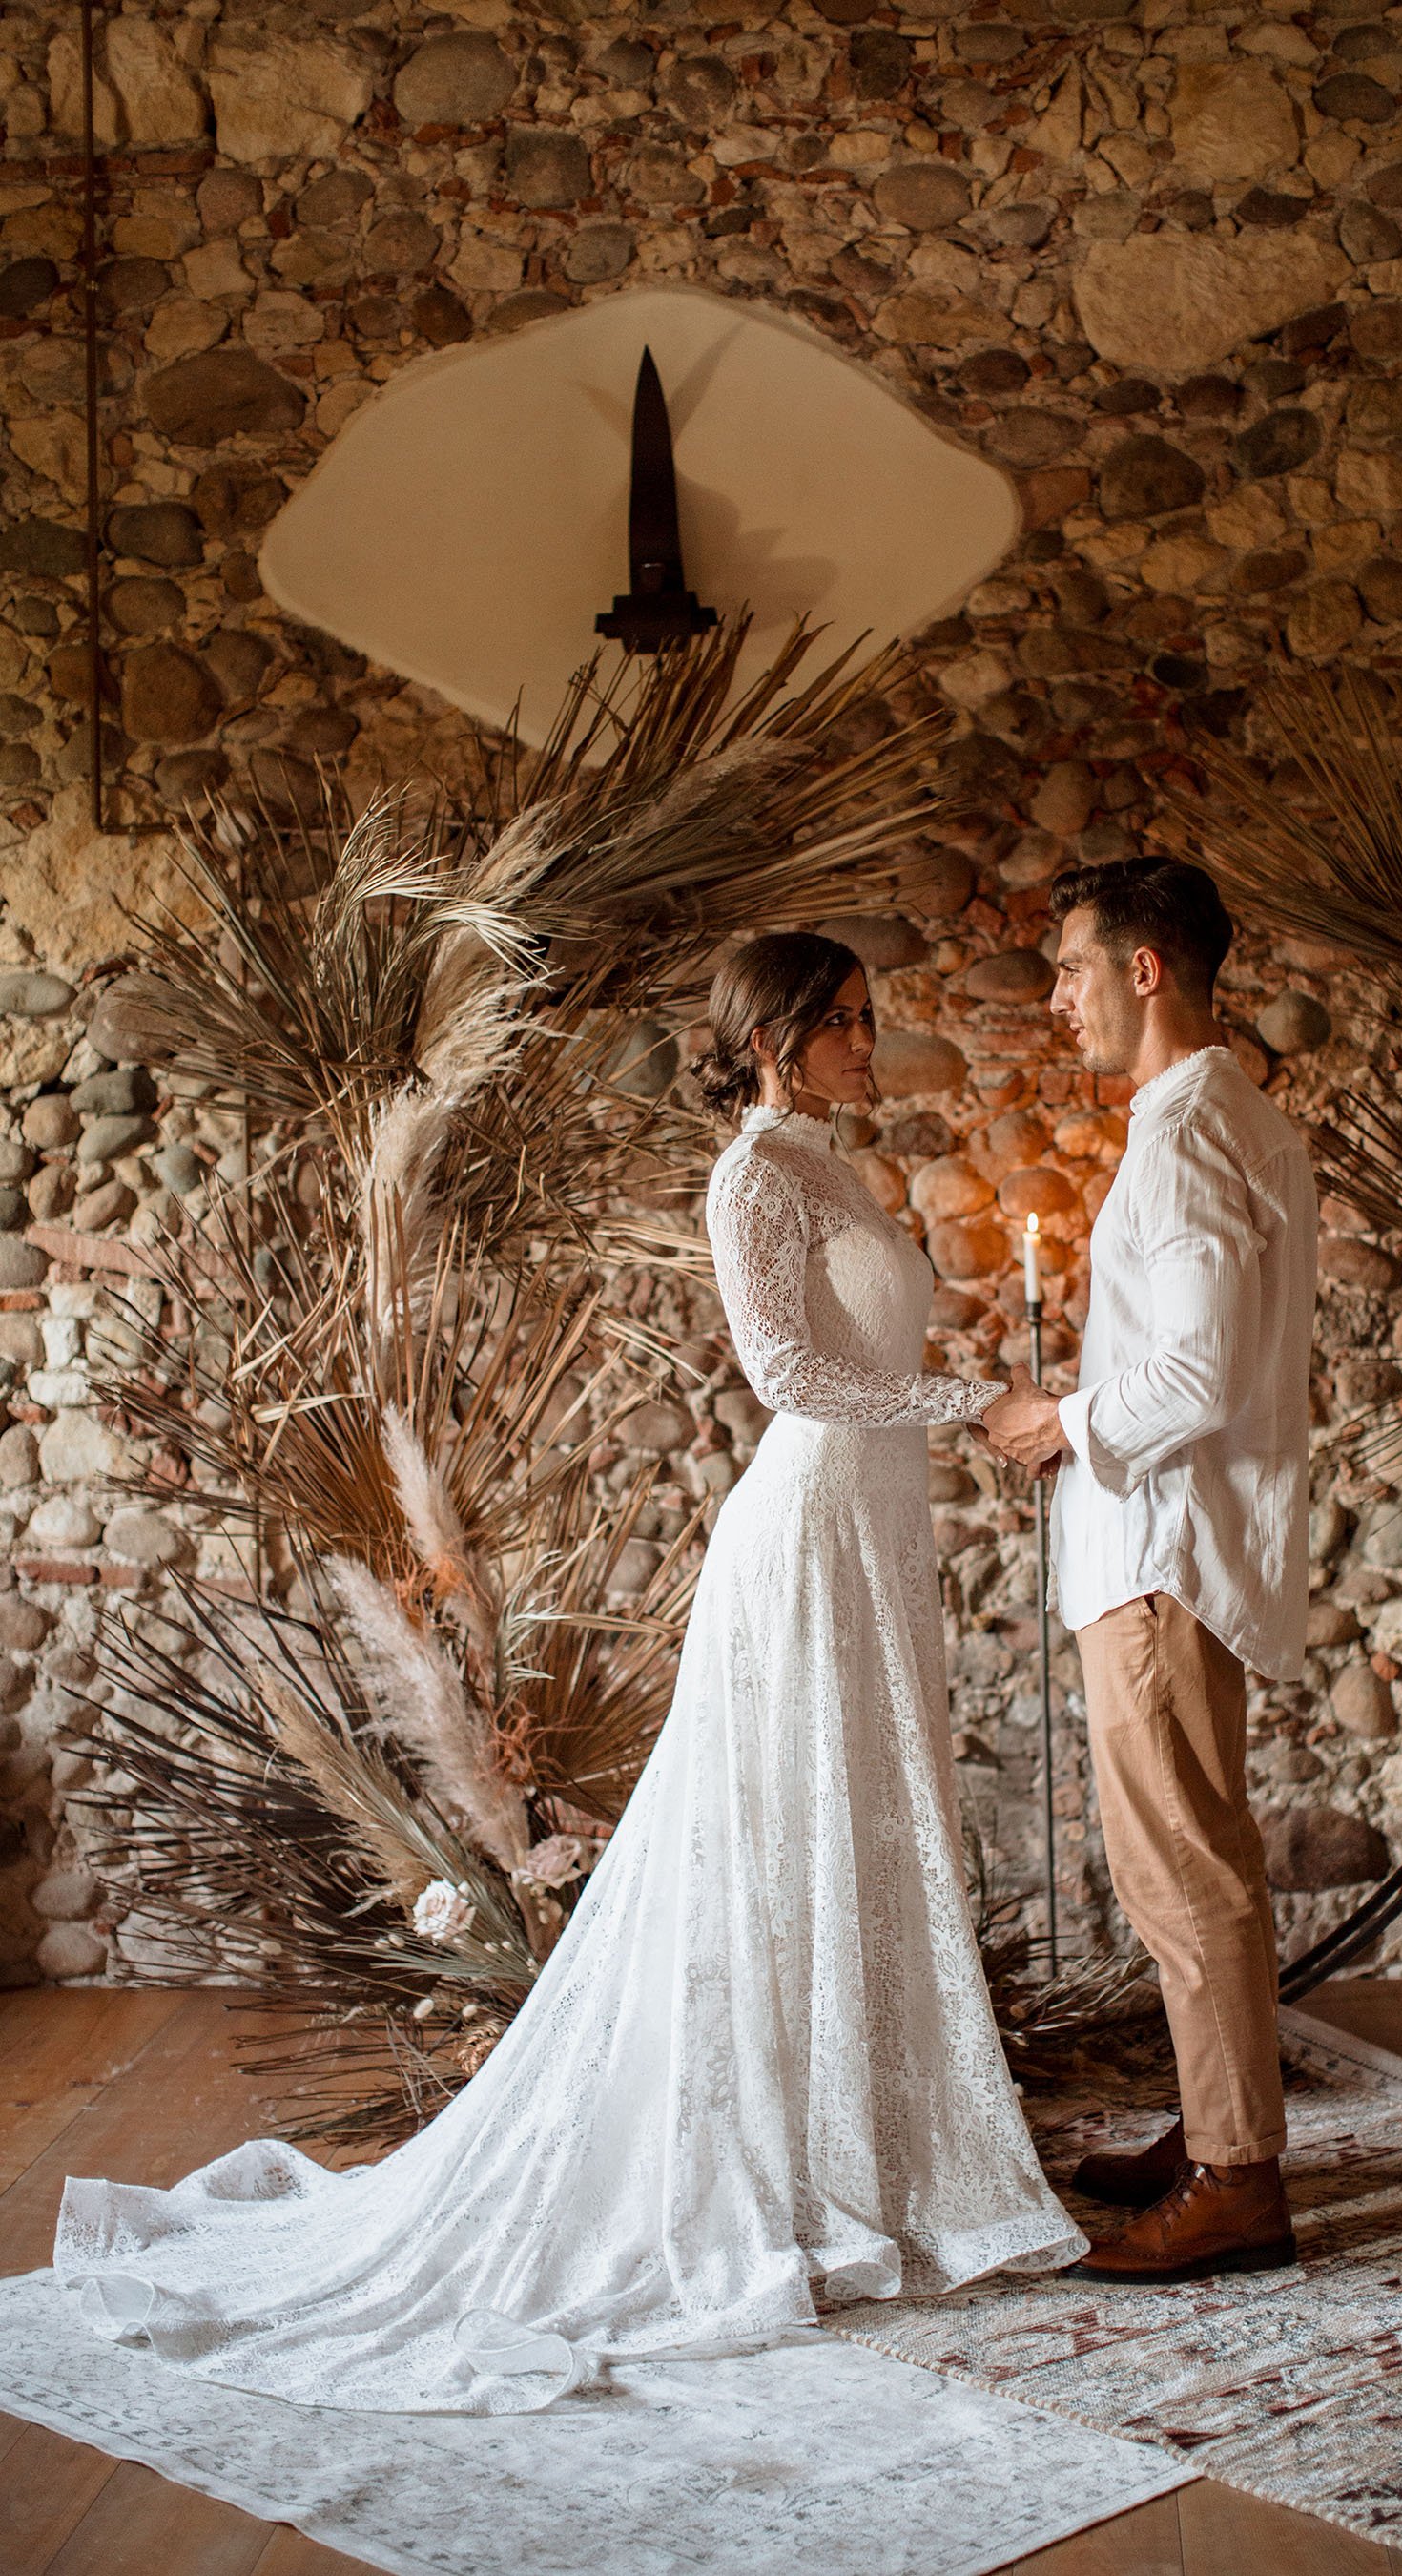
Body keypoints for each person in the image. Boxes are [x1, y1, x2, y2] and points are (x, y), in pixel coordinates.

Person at [54, 931, 1083, 2417]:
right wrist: (972, 1397)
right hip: (803, 1535)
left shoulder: (835, 1167)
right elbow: (787, 1377)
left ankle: (873, 2157)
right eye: (850, 1023)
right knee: (777, 1835)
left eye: (868, 1018)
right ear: (782, 1038)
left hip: (876, 1533)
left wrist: (955, 1402)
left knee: (855, 1822)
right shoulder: (753, 1178)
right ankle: (777, 2175)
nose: (874, 1042)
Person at [981, 858, 1317, 2287]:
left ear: (1141, 970)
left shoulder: (1187, 1138)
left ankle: (1239, 2179)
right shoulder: (1229, 1117)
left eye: (1067, 968)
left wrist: (1058, 1420)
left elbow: (1194, 1370)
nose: (1054, 997)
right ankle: (1213, 2126)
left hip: (1159, 1553)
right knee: (1191, 1856)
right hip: (1171, 1539)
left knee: (1182, 1871)